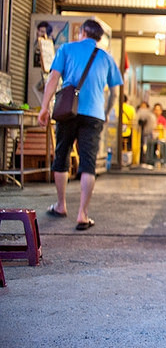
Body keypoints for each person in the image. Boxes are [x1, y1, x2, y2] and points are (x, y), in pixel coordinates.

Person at [37, 19, 122, 231]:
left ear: (82, 32)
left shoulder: (66, 48)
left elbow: (53, 78)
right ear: (100, 38)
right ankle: (83, 215)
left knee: (62, 155)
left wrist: (44, 107)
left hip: (67, 111)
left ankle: (61, 205)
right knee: (88, 164)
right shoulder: (106, 58)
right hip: (93, 114)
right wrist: (105, 112)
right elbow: (115, 92)